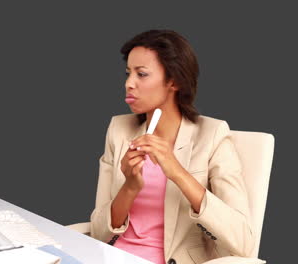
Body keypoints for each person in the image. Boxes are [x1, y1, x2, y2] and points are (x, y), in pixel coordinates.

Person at [90, 30, 255, 264]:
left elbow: (243, 243)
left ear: (174, 81)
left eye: (142, 74)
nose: (129, 84)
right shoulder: (119, 129)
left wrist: (177, 172)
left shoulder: (212, 135)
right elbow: (98, 233)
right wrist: (130, 187)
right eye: (128, 73)